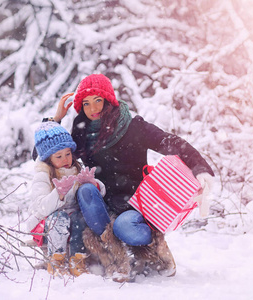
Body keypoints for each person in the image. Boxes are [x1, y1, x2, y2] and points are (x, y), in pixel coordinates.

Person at [49, 73, 215, 280]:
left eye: (98, 101)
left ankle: (154, 252)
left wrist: (199, 167)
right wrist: (55, 119)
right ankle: (116, 258)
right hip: (104, 205)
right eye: (86, 103)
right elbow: (49, 156)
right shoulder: (82, 131)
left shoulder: (132, 126)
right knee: (85, 191)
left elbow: (169, 141)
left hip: (137, 204)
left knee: (123, 227)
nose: (93, 109)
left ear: (109, 100)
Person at [26, 121, 108, 277]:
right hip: (48, 222)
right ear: (48, 158)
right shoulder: (43, 175)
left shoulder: (76, 169)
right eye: (59, 156)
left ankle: (77, 260)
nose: (65, 159)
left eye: (68, 154)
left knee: (80, 217)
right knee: (60, 217)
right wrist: (59, 194)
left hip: (73, 219)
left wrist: (94, 184)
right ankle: (56, 259)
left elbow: (95, 195)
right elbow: (40, 207)